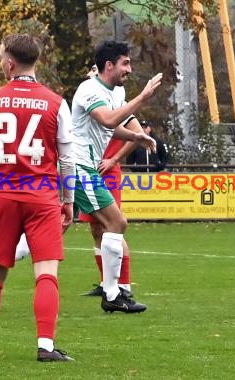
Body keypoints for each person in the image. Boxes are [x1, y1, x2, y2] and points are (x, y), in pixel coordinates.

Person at [0, 34, 76, 362]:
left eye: (0, 57)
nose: (1, 62)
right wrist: (67, 199)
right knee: (46, 273)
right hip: (42, 198)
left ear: (10, 62)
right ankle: (45, 346)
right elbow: (67, 159)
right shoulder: (56, 102)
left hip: (6, 197)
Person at [71, 40, 162, 313]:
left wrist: (135, 136)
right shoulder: (89, 89)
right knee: (116, 223)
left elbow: (113, 125)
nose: (129, 70)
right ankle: (113, 293)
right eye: (125, 63)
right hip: (78, 166)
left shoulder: (115, 92)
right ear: (109, 65)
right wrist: (143, 97)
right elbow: (108, 120)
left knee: (55, 226)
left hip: (82, 166)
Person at [77, 64, 140, 298]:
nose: (92, 73)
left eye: (96, 69)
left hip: (106, 172)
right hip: (88, 168)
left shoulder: (115, 101)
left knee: (114, 225)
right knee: (97, 229)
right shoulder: (90, 99)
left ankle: (122, 287)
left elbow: (133, 131)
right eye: (90, 69)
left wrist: (113, 160)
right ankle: (107, 284)